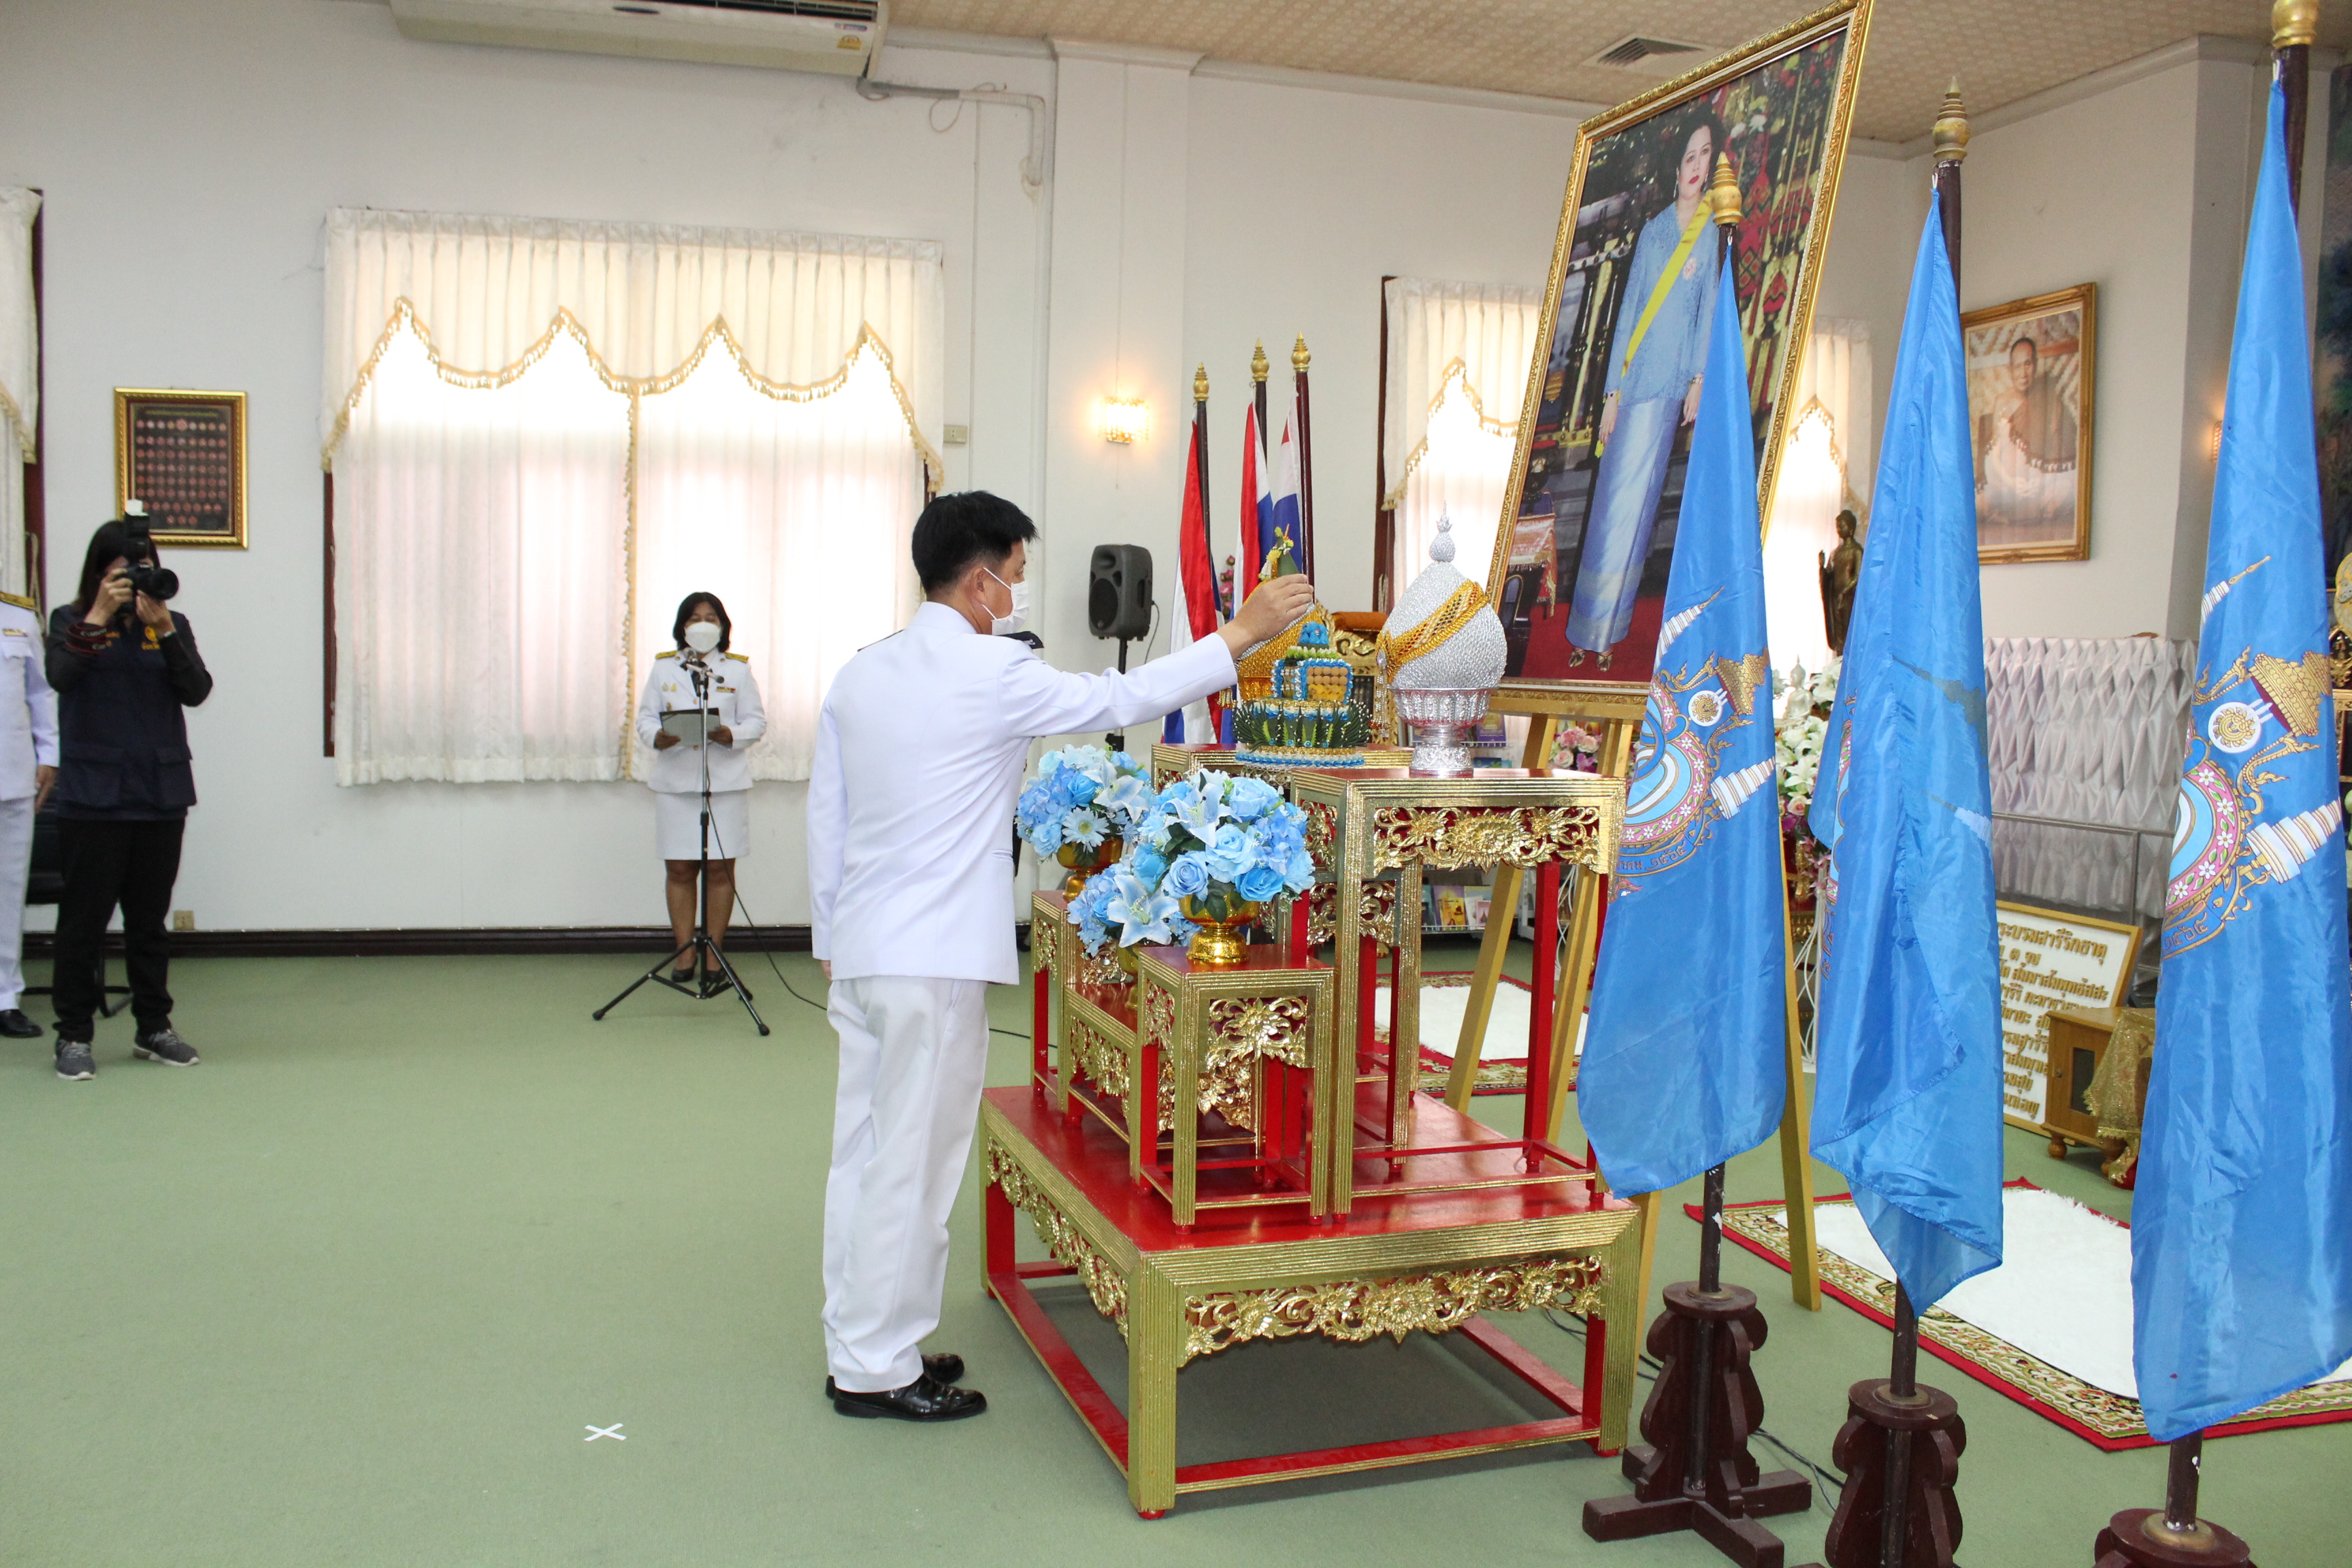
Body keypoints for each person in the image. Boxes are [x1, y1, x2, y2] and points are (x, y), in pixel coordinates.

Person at [807, 490, 1315, 1421]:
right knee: (913, 1164)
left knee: (865, 1152)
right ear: (979, 580)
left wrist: (829, 931)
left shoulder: (862, 671)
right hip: (934, 960)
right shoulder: (992, 673)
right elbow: (1119, 698)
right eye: (1017, 575)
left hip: (869, 949)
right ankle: (878, 1367)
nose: (1020, 592)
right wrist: (1240, 634)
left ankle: (864, 1341)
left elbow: (826, 812)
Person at [46, 519, 214, 1081]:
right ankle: (73, 1034)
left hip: (158, 793)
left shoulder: (171, 624)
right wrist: (98, 615)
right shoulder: (70, 620)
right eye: (120, 573)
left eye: (142, 571)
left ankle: (154, 1027)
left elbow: (196, 690)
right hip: (93, 798)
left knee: (149, 922)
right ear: (99, 574)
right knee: (83, 924)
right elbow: (61, 675)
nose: (133, 583)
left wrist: (163, 630)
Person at [1566, 107, 1724, 666]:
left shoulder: (1710, 234)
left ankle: (1613, 632)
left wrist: (1699, 381)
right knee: (1612, 509)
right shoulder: (1654, 232)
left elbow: (1707, 313)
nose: (1696, 166)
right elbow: (1630, 312)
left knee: (1640, 515)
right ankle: (1585, 629)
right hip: (1633, 387)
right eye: (1689, 156)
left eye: (1705, 155)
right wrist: (1611, 394)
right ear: (1675, 166)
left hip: (1671, 388)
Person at [634, 592, 765, 988]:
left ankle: (713, 954)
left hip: (724, 785)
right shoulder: (664, 668)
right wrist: (656, 737)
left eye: (711, 617)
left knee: (720, 870)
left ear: (722, 626)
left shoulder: (737, 671)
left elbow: (756, 722)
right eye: (694, 618)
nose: (703, 624)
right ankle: (684, 952)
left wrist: (730, 735)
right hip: (676, 784)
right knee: (679, 869)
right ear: (683, 627)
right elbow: (645, 719)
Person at [0, 586, 56, 1040]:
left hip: (11, 776)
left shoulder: (17, 617)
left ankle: (5, 997)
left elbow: (41, 692)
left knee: (7, 893)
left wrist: (50, 754)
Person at [1976, 333, 2078, 538]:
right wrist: (2011, 482)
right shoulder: (2002, 402)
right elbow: (1992, 455)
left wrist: (2042, 480)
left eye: (2028, 364)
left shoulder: (2050, 401)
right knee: (1979, 503)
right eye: (2017, 367)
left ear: (2035, 366)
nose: (2023, 373)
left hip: (2037, 479)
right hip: (2005, 480)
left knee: (2065, 489)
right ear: (2010, 370)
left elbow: (2055, 452)